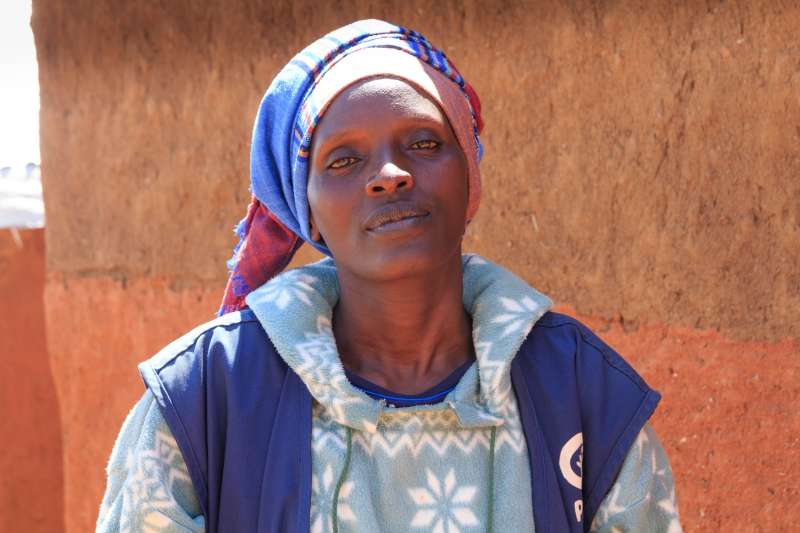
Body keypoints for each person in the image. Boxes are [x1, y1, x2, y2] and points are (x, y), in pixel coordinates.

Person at [97, 19, 682, 533]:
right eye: (344, 161)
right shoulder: (205, 401)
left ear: (469, 178)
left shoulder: (579, 391)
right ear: (308, 210)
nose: (390, 174)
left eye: (424, 143)